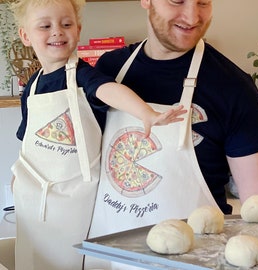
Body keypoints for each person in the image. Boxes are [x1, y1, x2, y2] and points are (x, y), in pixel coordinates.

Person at [84, 0, 258, 268]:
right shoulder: (110, 72)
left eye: (203, 2)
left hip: (196, 260)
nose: (192, 16)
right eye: (177, 0)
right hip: (109, 258)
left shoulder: (234, 88)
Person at [9, 0, 185, 270]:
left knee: (69, 260)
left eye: (66, 24)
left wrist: (145, 113)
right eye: (45, 26)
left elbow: (109, 91)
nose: (57, 31)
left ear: (78, 30)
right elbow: (28, 136)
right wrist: (16, 173)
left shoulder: (83, 75)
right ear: (26, 36)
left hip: (76, 199)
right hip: (34, 196)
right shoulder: (32, 85)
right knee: (33, 258)